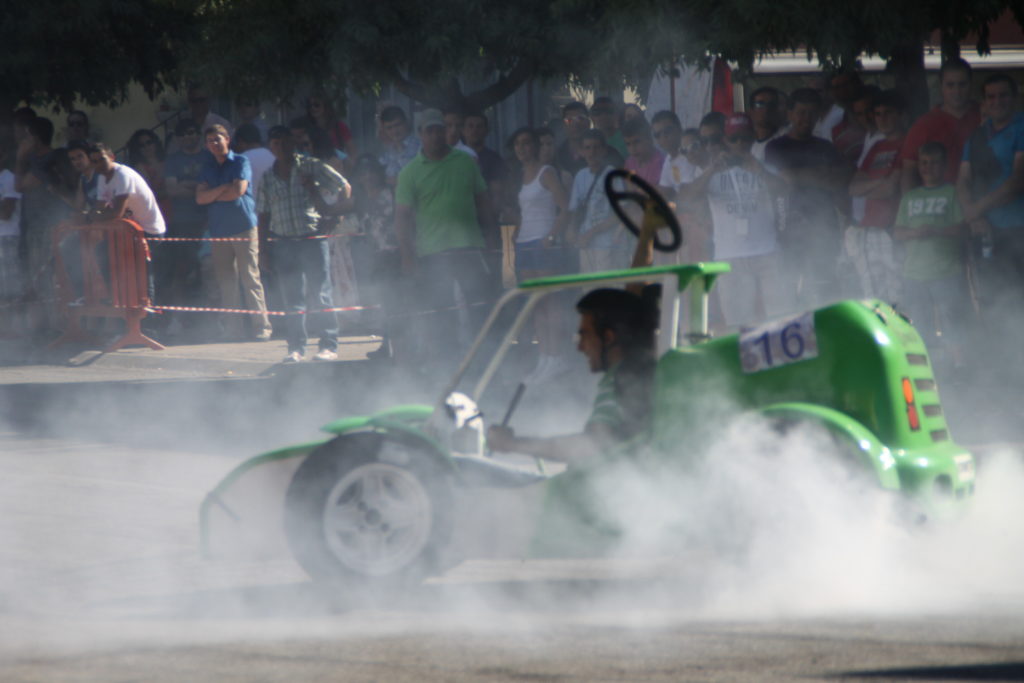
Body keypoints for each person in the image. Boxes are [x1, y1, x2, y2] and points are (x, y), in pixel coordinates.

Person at [487, 288, 657, 464]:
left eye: (585, 335)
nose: (580, 347)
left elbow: (591, 446)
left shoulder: (623, 379)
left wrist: (511, 444)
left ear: (608, 338)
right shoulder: (648, 369)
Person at [394, 108, 494, 368]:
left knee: (480, 309)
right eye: (430, 130)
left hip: (469, 248)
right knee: (442, 314)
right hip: (433, 253)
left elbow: (483, 201)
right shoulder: (410, 172)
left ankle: (484, 364)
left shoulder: (465, 161)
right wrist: (407, 257)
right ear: (420, 135)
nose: (436, 135)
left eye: (440, 129)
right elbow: (402, 218)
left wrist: (492, 238)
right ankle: (447, 367)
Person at [257, 125, 352, 363]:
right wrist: (263, 251)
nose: (281, 147)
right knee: (292, 298)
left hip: (311, 239)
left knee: (321, 294)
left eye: (284, 142)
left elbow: (344, 186)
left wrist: (335, 216)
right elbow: (263, 216)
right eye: (276, 143)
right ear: (271, 147)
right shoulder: (268, 177)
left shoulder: (310, 166)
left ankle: (328, 345)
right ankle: (296, 348)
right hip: (284, 243)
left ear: (292, 142)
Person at [689, 113, 789, 326]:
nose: (740, 144)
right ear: (725, 140)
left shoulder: (764, 166)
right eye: (734, 139)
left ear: (753, 138)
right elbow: (685, 197)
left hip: (768, 253)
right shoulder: (713, 170)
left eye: (745, 138)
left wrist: (760, 171)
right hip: (730, 256)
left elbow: (783, 191)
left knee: (782, 318)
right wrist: (711, 171)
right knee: (738, 324)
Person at [766, 88, 850, 308]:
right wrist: (814, 176)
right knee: (789, 291)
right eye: (801, 112)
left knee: (825, 289)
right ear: (790, 114)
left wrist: (797, 176)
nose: (806, 119)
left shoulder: (826, 147)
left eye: (812, 114)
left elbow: (835, 182)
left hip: (824, 228)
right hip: (787, 228)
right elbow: (782, 182)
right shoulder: (775, 147)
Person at [893, 142, 969, 371]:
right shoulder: (910, 197)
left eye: (935, 162)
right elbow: (897, 232)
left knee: (952, 321)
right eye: (924, 163)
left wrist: (936, 231)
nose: (928, 167)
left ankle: (959, 367)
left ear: (944, 165)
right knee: (919, 325)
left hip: (946, 270)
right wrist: (914, 233)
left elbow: (963, 229)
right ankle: (924, 369)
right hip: (914, 272)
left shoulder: (952, 192)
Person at [196, 124, 273, 341]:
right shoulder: (207, 166)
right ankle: (233, 329)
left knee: (250, 277)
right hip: (219, 229)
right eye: (210, 140)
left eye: (218, 139)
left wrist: (213, 192)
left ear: (227, 139)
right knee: (226, 281)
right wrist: (222, 188)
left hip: (243, 226)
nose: (214, 143)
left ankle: (262, 327)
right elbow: (200, 198)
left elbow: (238, 191)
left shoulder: (241, 161)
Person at [957, 72, 1024, 307]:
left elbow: (1018, 180)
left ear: (1015, 97)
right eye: (991, 97)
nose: (997, 102)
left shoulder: (1021, 127)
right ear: (984, 102)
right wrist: (972, 215)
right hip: (985, 231)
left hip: (1018, 230)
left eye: (1003, 95)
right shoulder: (976, 135)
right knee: (992, 300)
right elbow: (963, 179)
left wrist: (975, 210)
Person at [510, 127, 570, 383]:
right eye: (518, 145)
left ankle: (557, 357)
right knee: (535, 304)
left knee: (550, 302)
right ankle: (544, 357)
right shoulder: (522, 175)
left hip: (543, 242)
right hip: (525, 243)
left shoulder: (547, 173)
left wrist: (552, 235)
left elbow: (566, 208)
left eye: (526, 143)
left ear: (535, 146)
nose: (522, 149)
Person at [845, 90, 907, 302]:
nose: (882, 119)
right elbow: (853, 188)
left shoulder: (907, 144)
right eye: (878, 114)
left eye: (888, 113)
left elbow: (892, 189)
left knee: (899, 293)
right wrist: (881, 182)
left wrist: (873, 186)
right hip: (869, 229)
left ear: (901, 115)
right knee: (873, 296)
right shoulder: (877, 146)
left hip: (894, 228)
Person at [900, 58, 980, 194]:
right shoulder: (924, 125)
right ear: (941, 85)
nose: (957, 91)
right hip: (938, 207)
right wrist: (911, 208)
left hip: (983, 202)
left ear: (971, 84)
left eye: (962, 84)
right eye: (950, 85)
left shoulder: (986, 116)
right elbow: (909, 172)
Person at [161, 118, 210, 331]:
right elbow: (171, 190)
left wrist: (188, 186)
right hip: (181, 222)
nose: (189, 136)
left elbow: (215, 187)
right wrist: (200, 190)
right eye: (184, 134)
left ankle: (208, 320)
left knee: (207, 271)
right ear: (179, 139)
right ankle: (178, 319)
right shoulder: (173, 160)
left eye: (192, 132)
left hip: (208, 221)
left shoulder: (208, 156)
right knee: (181, 272)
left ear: (198, 134)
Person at [570, 130, 631, 272]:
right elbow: (575, 209)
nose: (592, 152)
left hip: (609, 244)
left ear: (604, 150)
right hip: (585, 244)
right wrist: (572, 230)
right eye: (587, 148)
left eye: (596, 147)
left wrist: (591, 233)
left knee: (607, 290)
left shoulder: (612, 175)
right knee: (589, 290)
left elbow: (621, 214)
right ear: (582, 151)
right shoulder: (580, 176)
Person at [378, 105, 420, 186]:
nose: (395, 131)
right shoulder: (386, 156)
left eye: (397, 125)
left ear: (406, 123)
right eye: (389, 128)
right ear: (384, 130)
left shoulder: (421, 148)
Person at [622, 117, 666, 188]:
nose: (633, 148)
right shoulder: (629, 163)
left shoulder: (661, 162)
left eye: (637, 142)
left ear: (649, 140)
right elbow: (629, 189)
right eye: (628, 144)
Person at [748, 87, 786, 162]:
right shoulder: (750, 145)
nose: (766, 109)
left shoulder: (787, 138)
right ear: (751, 112)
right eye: (760, 104)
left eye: (771, 105)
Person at [555, 101, 593, 175]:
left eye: (580, 118)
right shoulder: (556, 155)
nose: (576, 124)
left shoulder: (602, 152)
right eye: (569, 120)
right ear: (563, 125)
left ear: (588, 122)